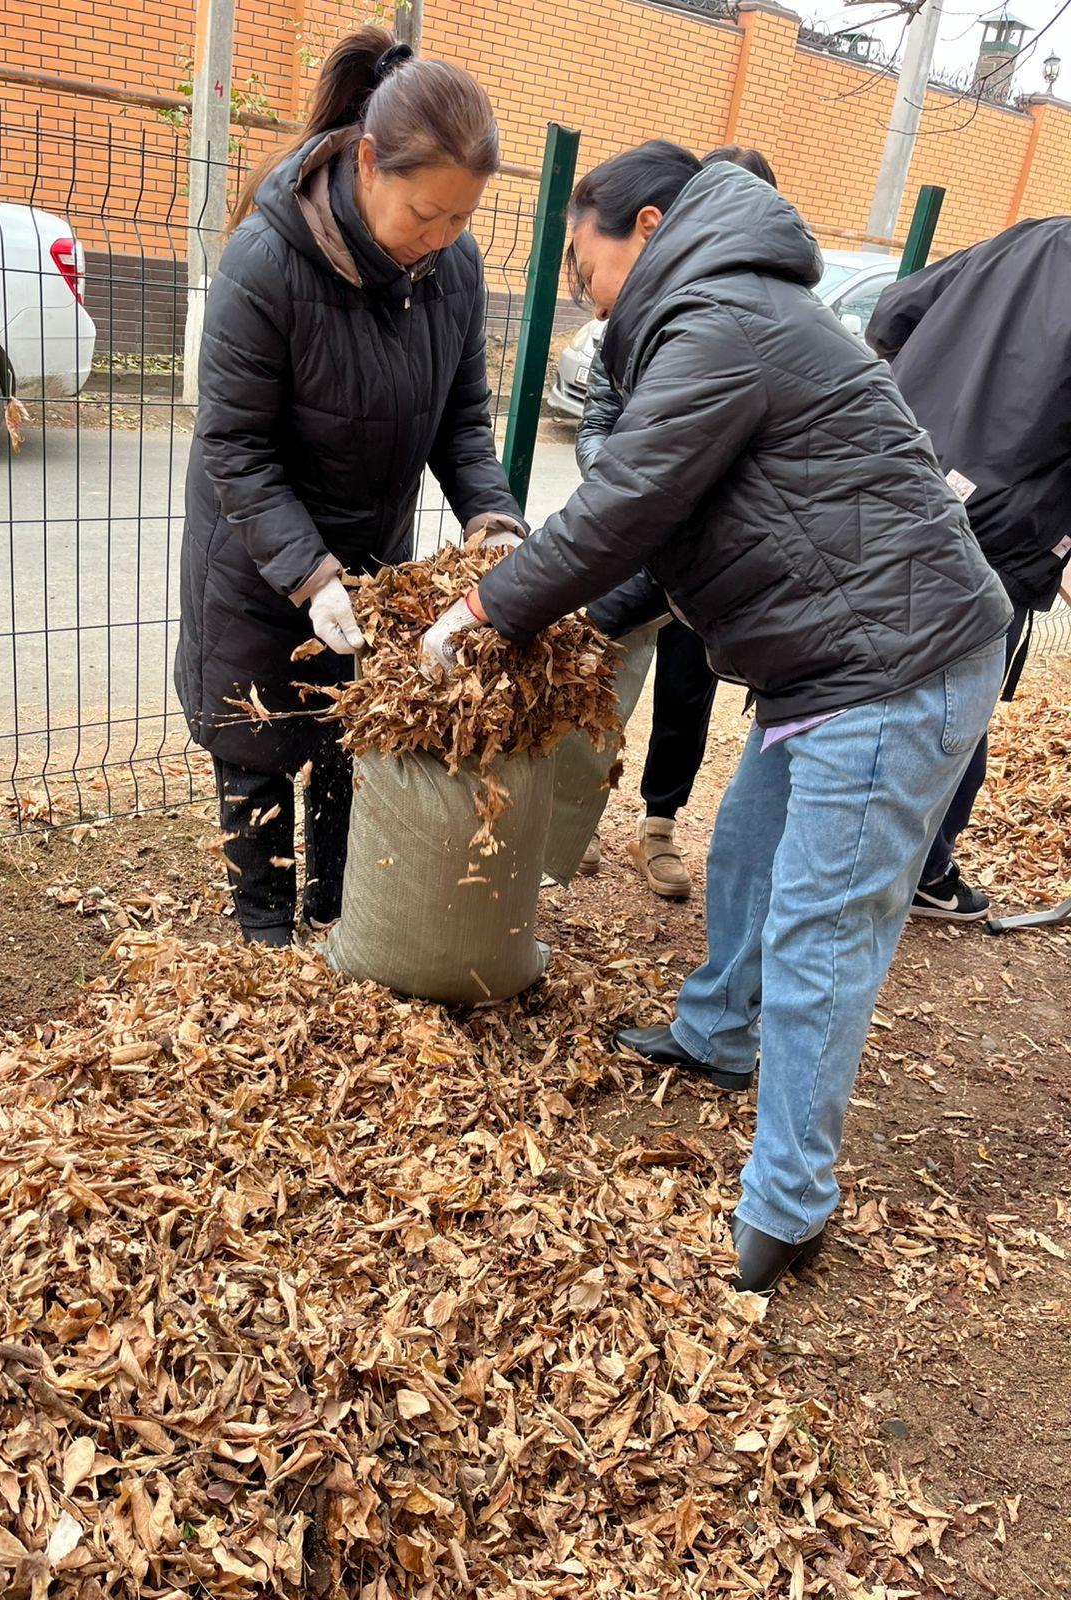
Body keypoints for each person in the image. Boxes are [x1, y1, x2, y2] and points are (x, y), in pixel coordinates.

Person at [420, 141, 1011, 1292]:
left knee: (821, 930)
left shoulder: (725, 317)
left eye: (584, 267)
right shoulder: (723, 309)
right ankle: (719, 1034)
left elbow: (628, 498)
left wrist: (490, 607)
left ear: (644, 228)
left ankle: (791, 1202)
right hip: (837, 661)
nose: (586, 293)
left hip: (896, 663)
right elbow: (667, 534)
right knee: (744, 847)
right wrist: (575, 629)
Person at [175, 28, 524, 946]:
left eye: (461, 218)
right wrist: (308, 573)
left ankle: (339, 922)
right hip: (258, 558)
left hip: (370, 556)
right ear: (368, 162)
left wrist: (492, 518)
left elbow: (463, 419)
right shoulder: (266, 264)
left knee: (350, 742)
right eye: (426, 213)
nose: (442, 239)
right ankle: (264, 936)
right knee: (257, 750)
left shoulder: (451, 268)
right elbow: (234, 446)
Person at [576, 146, 777, 897]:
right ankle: (573, 813)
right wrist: (626, 488)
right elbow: (598, 423)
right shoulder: (635, 320)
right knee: (599, 680)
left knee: (686, 696)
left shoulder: (730, 325)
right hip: (633, 537)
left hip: (700, 556)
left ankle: (659, 824)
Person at [867, 217, 1071, 922]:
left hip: (902, 484)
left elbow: (891, 314)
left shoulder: (1027, 238)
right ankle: (920, 869)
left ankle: (845, 853)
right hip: (1003, 535)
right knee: (959, 706)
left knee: (858, 674)